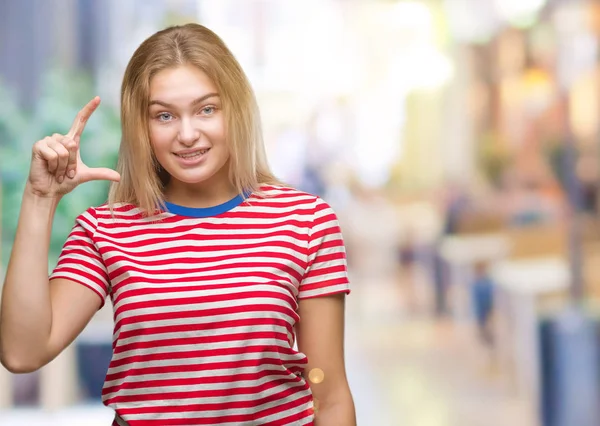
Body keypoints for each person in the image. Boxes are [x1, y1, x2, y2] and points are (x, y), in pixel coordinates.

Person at [0, 23, 356, 426]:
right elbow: (21, 352)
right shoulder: (105, 230)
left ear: (235, 109)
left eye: (207, 109)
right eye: (164, 115)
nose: (188, 134)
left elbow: (329, 395)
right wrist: (39, 198)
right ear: (141, 127)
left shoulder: (304, 220)